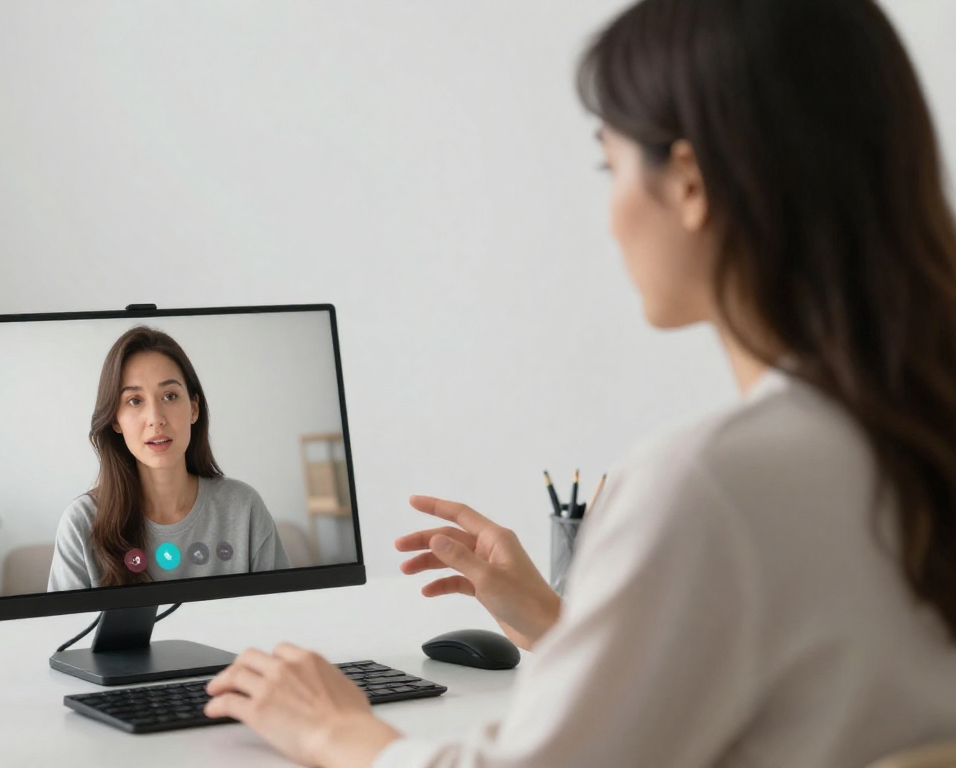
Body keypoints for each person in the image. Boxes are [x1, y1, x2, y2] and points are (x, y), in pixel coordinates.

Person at [201, 0, 956, 765]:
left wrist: (337, 729)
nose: (608, 216)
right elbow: (793, 699)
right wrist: (558, 624)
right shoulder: (912, 432)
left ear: (690, 182)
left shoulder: (714, 483)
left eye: (611, 165)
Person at [47, 325, 290, 591]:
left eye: (170, 396)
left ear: (194, 409)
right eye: (135, 401)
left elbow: (284, 617)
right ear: (115, 420)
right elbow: (67, 631)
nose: (156, 419)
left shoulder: (244, 508)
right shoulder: (81, 523)